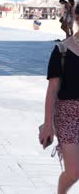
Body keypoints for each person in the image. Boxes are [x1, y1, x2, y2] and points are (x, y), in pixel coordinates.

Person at [39, 11, 79, 194]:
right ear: (77, 19)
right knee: (73, 172)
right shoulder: (62, 50)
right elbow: (52, 90)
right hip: (68, 115)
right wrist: (48, 125)